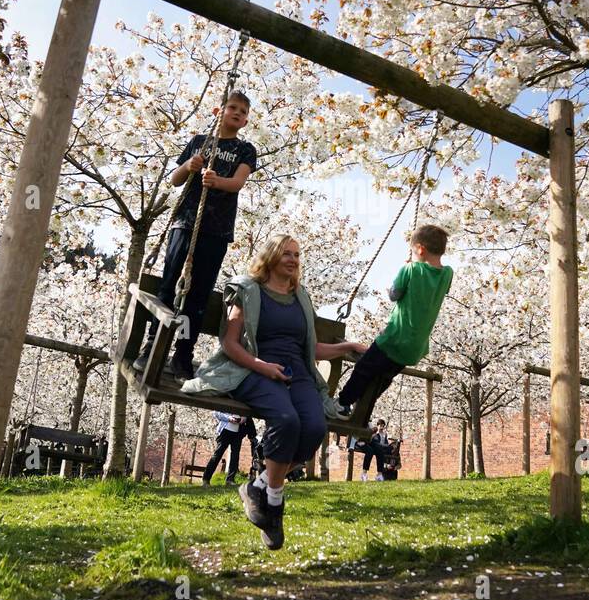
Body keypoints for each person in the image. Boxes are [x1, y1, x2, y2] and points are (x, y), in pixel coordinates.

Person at [181, 233, 366, 550]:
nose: (293, 260)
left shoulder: (300, 297)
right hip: (253, 369)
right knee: (286, 421)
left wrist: (346, 346)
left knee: (314, 428)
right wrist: (261, 366)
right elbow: (229, 343)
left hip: (298, 373)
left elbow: (310, 349)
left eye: (296, 254)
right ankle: (275, 504)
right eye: (286, 254)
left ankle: (259, 486)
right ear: (271, 258)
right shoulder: (248, 291)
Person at [134, 92, 257, 381]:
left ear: (246, 119)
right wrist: (188, 166)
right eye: (233, 108)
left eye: (243, 111)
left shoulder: (245, 149)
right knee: (169, 286)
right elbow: (175, 180)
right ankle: (153, 345)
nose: (238, 113)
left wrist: (217, 181)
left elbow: (237, 183)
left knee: (197, 294)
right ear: (221, 111)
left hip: (216, 230)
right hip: (186, 223)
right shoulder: (199, 142)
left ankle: (182, 353)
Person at [336, 224, 453, 418]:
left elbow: (394, 294)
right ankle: (361, 418)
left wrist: (405, 270)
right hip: (415, 349)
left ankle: (342, 403)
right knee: (383, 378)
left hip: (394, 338)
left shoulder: (410, 269)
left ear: (420, 249)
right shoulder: (448, 274)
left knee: (363, 369)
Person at [200, 411, 259, 486]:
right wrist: (229, 418)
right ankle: (206, 479)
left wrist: (244, 417)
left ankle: (230, 480)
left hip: (238, 433)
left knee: (235, 456)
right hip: (225, 431)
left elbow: (246, 414)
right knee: (217, 455)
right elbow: (216, 413)